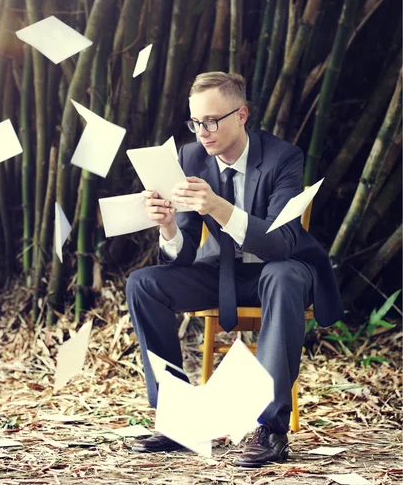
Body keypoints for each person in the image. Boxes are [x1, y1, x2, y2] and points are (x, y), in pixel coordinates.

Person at [126, 72, 343, 467]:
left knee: (281, 275)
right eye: (195, 123)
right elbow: (185, 251)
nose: (203, 132)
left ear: (241, 114)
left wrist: (218, 208)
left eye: (212, 121)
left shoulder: (283, 158)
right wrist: (168, 225)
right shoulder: (191, 158)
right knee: (144, 284)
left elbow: (280, 243)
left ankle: (270, 428)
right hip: (222, 273)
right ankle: (176, 421)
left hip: (282, 272)